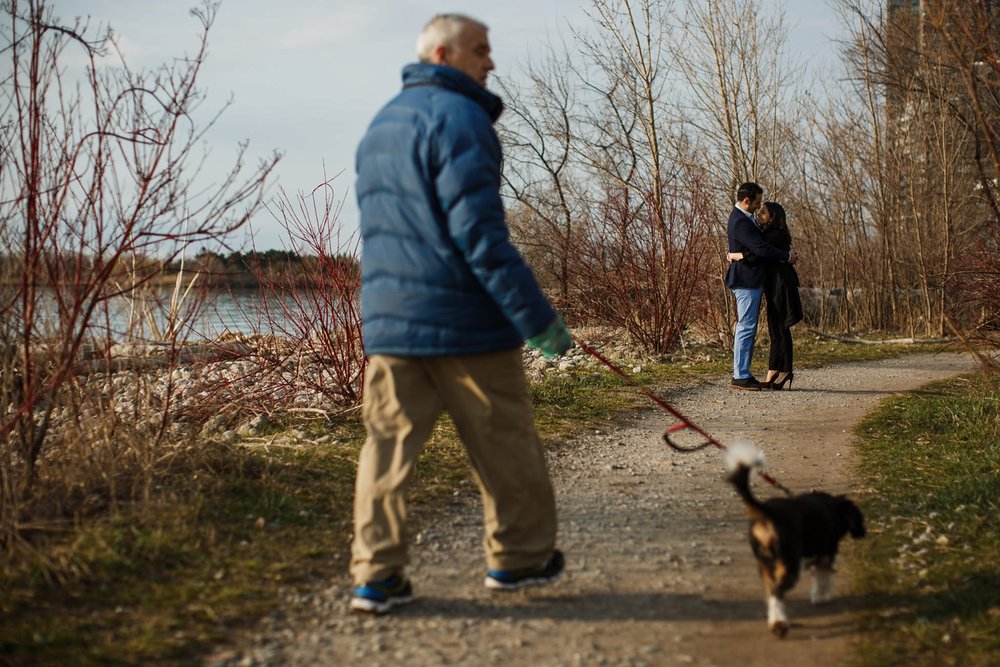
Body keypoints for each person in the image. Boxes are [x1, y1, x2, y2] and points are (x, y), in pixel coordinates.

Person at [349, 14, 572, 615]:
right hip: (468, 322)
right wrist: (538, 320)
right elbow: (480, 235)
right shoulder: (464, 119)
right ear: (443, 54)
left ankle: (376, 576)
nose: (490, 62)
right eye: (481, 50)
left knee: (387, 450)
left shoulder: (378, 126)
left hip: (392, 324)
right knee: (506, 444)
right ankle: (519, 560)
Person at [725, 183, 796, 391]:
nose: (758, 207)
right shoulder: (740, 221)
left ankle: (743, 373)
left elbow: (757, 248)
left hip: (752, 280)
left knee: (748, 326)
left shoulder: (746, 220)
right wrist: (787, 256)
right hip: (746, 281)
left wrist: (737, 254)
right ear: (747, 200)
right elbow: (762, 248)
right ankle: (741, 375)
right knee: (746, 327)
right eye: (757, 202)